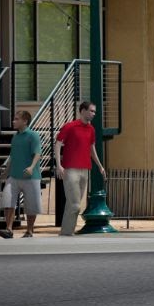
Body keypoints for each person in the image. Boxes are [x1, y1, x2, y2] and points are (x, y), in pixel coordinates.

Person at [55, 100, 98, 237]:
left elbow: (92, 148)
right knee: (75, 205)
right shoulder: (70, 126)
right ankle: (67, 232)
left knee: (74, 203)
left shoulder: (91, 129)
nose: (93, 114)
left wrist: (99, 165)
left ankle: (67, 232)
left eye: (94, 111)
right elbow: (57, 144)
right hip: (70, 169)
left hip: (85, 169)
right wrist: (58, 164)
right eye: (91, 111)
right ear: (83, 111)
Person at [1, 107, 44, 239]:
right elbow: (12, 156)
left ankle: (29, 231)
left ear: (25, 121)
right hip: (13, 176)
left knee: (31, 205)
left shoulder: (33, 135)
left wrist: (31, 167)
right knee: (8, 201)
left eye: (16, 119)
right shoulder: (15, 137)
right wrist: (6, 172)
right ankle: (8, 229)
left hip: (31, 177)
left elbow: (38, 153)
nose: (13, 121)